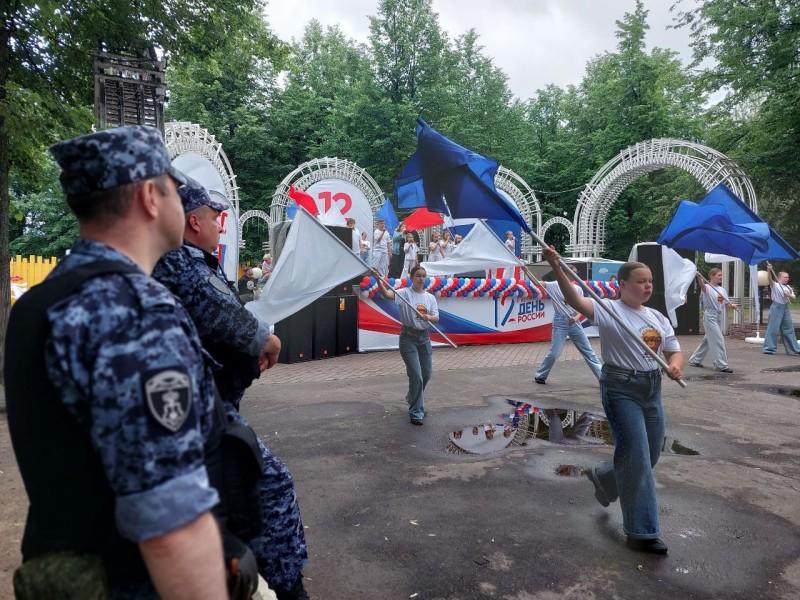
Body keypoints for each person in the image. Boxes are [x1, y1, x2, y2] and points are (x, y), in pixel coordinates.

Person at [4, 125, 258, 598]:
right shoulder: (135, 313)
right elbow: (171, 524)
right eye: (176, 189)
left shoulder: (42, 304)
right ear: (149, 196)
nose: (184, 204)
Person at [153, 180, 309, 599]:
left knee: (242, 498)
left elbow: (229, 313)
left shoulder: (199, 261)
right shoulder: (175, 262)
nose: (220, 224)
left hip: (219, 404)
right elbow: (220, 314)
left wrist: (250, 352)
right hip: (205, 413)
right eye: (213, 216)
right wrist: (263, 342)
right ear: (193, 221)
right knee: (268, 490)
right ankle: (281, 585)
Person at [543, 246, 683, 555]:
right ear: (622, 284)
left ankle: (603, 476)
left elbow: (674, 349)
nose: (647, 286)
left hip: (652, 389)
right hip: (621, 389)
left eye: (649, 281)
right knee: (637, 459)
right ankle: (642, 532)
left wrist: (675, 366)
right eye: (640, 281)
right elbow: (574, 300)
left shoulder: (656, 317)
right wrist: (558, 266)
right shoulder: (608, 309)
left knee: (651, 453)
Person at [373, 265, 439, 426]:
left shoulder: (430, 298)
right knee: (416, 376)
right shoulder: (404, 293)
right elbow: (387, 294)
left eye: (423, 276)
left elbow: (436, 317)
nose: (421, 278)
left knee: (427, 374)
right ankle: (416, 411)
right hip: (408, 339)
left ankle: (412, 398)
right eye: (418, 275)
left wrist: (427, 317)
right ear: (411, 277)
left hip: (424, 339)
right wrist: (378, 280)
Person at [534, 279, 603, 384]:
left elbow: (581, 307)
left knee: (588, 351)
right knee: (554, 353)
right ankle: (541, 375)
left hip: (574, 322)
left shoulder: (578, 289)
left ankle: (602, 378)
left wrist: (576, 318)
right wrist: (526, 271)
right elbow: (537, 283)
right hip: (560, 322)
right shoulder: (554, 285)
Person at [688, 268, 738, 372]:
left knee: (707, 340)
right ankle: (721, 365)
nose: (721, 277)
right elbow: (702, 285)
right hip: (710, 316)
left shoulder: (722, 290)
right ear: (711, 276)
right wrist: (698, 276)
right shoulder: (707, 287)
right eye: (719, 275)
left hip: (718, 316)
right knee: (718, 340)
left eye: (721, 275)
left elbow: (726, 303)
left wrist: (731, 305)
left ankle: (694, 360)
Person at [763, 263, 800, 355]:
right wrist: (769, 270)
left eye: (788, 277)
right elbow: (770, 279)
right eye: (785, 277)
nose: (787, 279)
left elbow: (794, 297)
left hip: (785, 308)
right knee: (773, 328)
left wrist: (788, 295)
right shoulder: (775, 285)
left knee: (789, 329)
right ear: (779, 277)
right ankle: (769, 349)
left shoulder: (788, 287)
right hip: (776, 307)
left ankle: (794, 350)